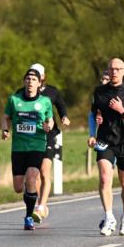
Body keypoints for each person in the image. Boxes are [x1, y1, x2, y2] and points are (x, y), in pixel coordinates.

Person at [87, 58, 124, 236]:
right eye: (111, 69)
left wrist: (121, 110)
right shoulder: (99, 92)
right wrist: (92, 133)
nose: (114, 72)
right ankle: (109, 216)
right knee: (105, 178)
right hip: (105, 141)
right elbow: (93, 113)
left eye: (118, 69)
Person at [2, 67, 55, 230]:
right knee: (18, 187)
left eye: (34, 80)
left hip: (37, 145)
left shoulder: (45, 101)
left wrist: (48, 126)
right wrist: (5, 129)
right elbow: (5, 117)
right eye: (28, 79)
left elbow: (50, 119)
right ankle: (29, 193)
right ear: (24, 82)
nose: (30, 82)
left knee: (32, 177)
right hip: (18, 147)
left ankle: (29, 216)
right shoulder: (14, 100)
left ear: (39, 83)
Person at [25, 63, 70, 224]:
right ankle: (39, 204)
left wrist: (64, 117)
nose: (33, 78)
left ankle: (42, 205)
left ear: (43, 76)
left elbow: (62, 106)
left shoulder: (52, 92)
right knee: (34, 174)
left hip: (49, 135)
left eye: (37, 74)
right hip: (31, 137)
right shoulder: (25, 93)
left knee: (44, 171)